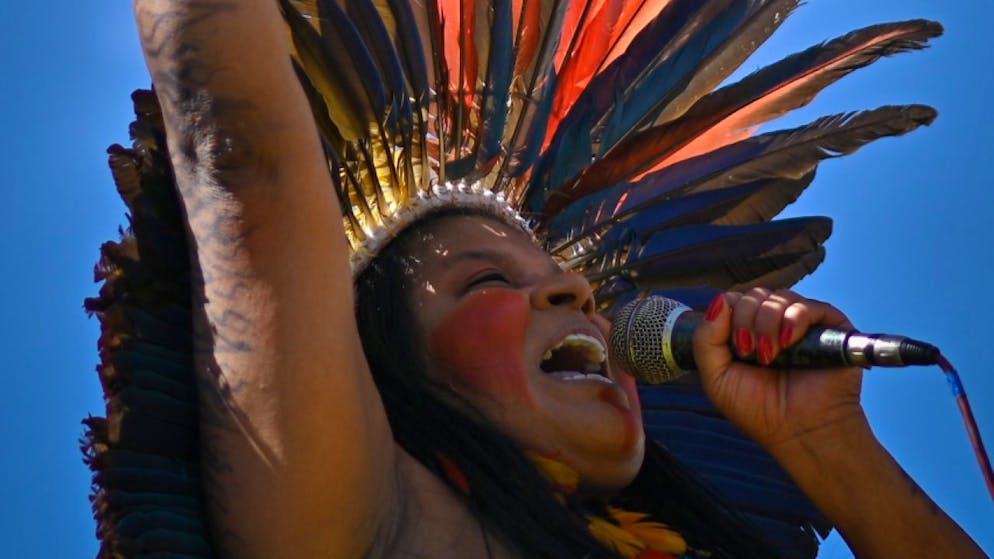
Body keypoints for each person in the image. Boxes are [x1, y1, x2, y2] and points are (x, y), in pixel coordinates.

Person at [86, 0, 983, 557]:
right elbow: (245, 160)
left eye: (567, 280)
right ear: (372, 380)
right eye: (484, 284)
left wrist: (832, 448)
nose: (579, 293)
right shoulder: (361, 522)